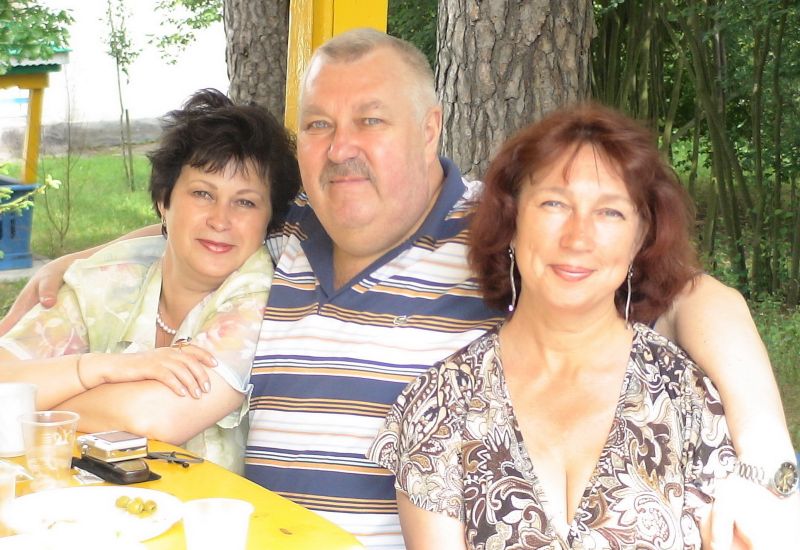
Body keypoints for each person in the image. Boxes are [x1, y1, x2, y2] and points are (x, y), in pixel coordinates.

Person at [2, 30, 795, 549]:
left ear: (429, 128)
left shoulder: (507, 234)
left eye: (371, 120)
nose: (340, 147)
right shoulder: (283, 231)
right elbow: (195, 219)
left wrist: (766, 460)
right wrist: (79, 258)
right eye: (319, 124)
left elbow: (696, 296)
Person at [367, 103, 751, 548]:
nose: (577, 237)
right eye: (554, 204)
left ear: (640, 237)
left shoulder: (687, 397)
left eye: (610, 212)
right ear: (512, 221)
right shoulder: (442, 404)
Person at [0, 88, 300, 473]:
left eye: (246, 202)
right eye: (202, 193)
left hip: (211, 510)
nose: (220, 219)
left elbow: (151, 417)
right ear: (164, 201)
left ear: (268, 220)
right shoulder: (108, 280)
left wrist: (36, 405)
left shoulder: (261, 300)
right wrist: (99, 368)